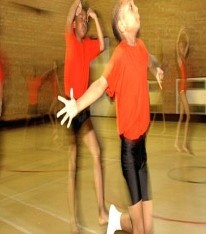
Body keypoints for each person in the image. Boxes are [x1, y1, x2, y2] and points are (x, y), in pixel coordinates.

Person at [57, 0, 163, 233]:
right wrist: (76, 105)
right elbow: (100, 84)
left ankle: (111, 217)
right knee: (139, 228)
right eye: (131, 7)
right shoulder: (112, 53)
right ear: (123, 25)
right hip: (117, 142)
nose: (135, 5)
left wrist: (155, 69)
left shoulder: (138, 47)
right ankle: (97, 220)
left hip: (137, 144)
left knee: (146, 226)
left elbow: (147, 59)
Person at [63, 0, 107, 233]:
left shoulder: (88, 45)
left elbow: (101, 44)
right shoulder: (69, 38)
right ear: (74, 24)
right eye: (81, 20)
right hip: (70, 111)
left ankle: (101, 211)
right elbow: (69, 15)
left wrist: (96, 18)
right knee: (72, 165)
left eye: (86, 21)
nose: (84, 23)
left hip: (83, 108)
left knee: (97, 152)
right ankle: (72, 222)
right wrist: (77, 5)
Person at [174, 27, 191, 154]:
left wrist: (186, 36)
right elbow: (176, 47)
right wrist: (179, 33)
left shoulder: (184, 58)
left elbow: (188, 44)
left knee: (181, 117)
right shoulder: (179, 59)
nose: (181, 48)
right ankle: (184, 144)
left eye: (182, 46)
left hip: (183, 89)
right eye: (180, 47)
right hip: (182, 90)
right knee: (188, 116)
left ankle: (176, 143)